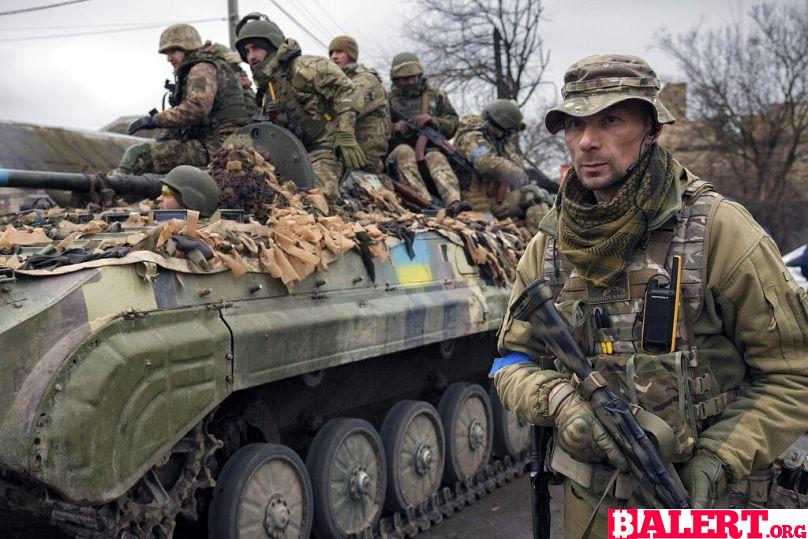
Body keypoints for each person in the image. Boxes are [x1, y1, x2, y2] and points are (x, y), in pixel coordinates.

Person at [490, 54, 808, 537]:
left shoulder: (720, 233)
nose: (588, 142)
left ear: (651, 128)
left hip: (706, 508)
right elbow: (507, 362)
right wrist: (558, 402)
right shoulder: (549, 248)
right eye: (575, 124)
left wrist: (718, 461)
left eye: (610, 119)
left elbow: (793, 375)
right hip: (591, 509)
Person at [235, 14, 365, 200]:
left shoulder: (305, 67)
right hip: (294, 153)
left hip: (325, 147)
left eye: (256, 48)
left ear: (272, 46)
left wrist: (346, 133)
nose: (251, 56)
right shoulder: (266, 89)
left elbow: (348, 91)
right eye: (246, 51)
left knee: (315, 199)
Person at [118, 24, 250, 174]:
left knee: (138, 155)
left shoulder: (201, 68)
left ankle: (109, 192)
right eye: (166, 53)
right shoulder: (203, 67)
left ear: (188, 48)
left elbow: (197, 108)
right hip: (219, 144)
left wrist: (155, 120)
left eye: (173, 51)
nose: (169, 58)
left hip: (216, 147)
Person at [454, 99, 553, 229]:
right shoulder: (471, 136)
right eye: (509, 130)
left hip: (496, 200)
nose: (510, 134)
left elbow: (517, 165)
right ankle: (544, 246)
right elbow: (484, 161)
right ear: (503, 125)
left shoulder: (501, 142)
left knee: (545, 197)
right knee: (532, 195)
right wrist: (518, 174)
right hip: (477, 202)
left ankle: (550, 244)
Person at [387, 52, 466, 214]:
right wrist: (393, 128)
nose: (411, 81)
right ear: (396, 79)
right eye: (405, 78)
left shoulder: (435, 96)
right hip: (397, 155)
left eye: (414, 77)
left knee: (436, 157)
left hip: (429, 152)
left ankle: (455, 203)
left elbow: (453, 123)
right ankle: (425, 204)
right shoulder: (387, 101)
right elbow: (373, 129)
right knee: (404, 152)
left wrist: (434, 122)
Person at [328, 36, 391, 173]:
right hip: (344, 152)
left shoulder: (365, 79)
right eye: (331, 53)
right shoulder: (340, 81)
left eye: (339, 52)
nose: (334, 57)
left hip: (361, 156)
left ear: (351, 55)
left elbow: (347, 103)